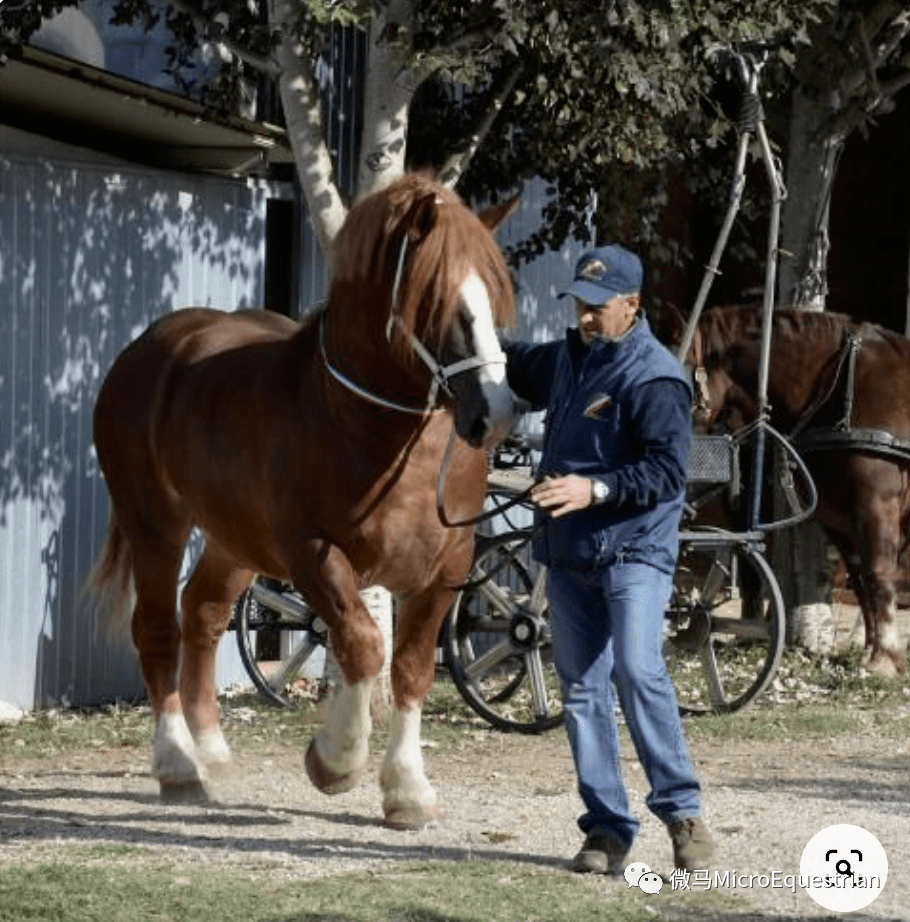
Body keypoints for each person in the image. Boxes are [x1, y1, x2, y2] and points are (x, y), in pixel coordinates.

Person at [502, 244, 715, 874]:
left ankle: (683, 817)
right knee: (583, 693)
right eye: (580, 306)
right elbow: (511, 365)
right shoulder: (566, 358)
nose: (586, 318)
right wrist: (457, 330)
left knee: (636, 669)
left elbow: (667, 472)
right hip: (568, 554)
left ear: (633, 306)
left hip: (634, 552)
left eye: (599, 307)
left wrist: (592, 488)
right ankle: (606, 833)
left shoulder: (656, 378)